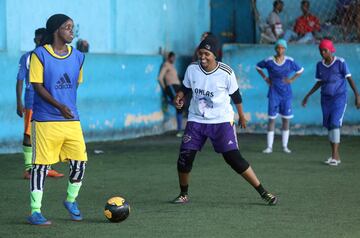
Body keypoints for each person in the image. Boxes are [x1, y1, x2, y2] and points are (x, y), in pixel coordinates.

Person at [172, 36, 277, 205]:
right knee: (184, 158)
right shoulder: (192, 69)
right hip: (196, 119)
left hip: (221, 121)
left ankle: (263, 192)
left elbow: (236, 95)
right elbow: (185, 87)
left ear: (215, 55)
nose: (203, 57)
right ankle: (183, 194)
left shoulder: (226, 72)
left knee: (233, 158)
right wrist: (179, 96)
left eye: (207, 54)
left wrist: (241, 116)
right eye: (200, 53)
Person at [27, 14, 87, 225]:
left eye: (73, 27)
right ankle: (35, 211)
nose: (72, 31)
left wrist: (67, 106)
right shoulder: (39, 54)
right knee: (41, 167)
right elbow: (37, 86)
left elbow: (75, 84)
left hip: (71, 121)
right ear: (56, 30)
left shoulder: (78, 56)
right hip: (45, 121)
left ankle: (71, 200)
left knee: (80, 163)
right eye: (67, 27)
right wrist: (59, 105)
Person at [302, 39, 360, 166]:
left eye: (325, 50)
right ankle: (336, 156)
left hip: (339, 98)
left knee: (335, 123)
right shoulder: (320, 65)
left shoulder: (340, 62)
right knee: (329, 126)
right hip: (325, 99)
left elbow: (349, 79)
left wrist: (357, 95)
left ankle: (334, 156)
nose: (323, 53)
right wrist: (308, 95)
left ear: (331, 50)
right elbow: (320, 82)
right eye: (321, 50)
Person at [16, 28, 64, 179]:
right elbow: (19, 80)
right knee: (29, 134)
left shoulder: (53, 56)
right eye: (38, 39)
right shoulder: (28, 57)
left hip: (50, 101)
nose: (41, 41)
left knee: (48, 134)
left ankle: (46, 168)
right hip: (32, 101)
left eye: (43, 39)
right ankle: (29, 169)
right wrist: (19, 102)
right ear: (35, 40)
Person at [256, 39, 304, 154]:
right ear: (275, 48)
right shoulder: (269, 61)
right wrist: (266, 78)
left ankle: (285, 146)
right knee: (271, 119)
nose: (280, 50)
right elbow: (258, 67)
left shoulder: (290, 61)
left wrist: (291, 79)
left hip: (286, 94)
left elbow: (301, 70)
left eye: (282, 48)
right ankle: (269, 147)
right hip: (273, 93)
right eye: (278, 47)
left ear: (285, 49)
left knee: (286, 119)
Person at [158, 52, 183, 137]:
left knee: (181, 106)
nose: (174, 59)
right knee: (179, 105)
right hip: (171, 87)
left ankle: (180, 129)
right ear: (169, 57)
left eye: (174, 58)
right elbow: (160, 78)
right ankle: (179, 130)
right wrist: (165, 88)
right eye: (172, 58)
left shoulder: (172, 66)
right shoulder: (166, 65)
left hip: (177, 87)